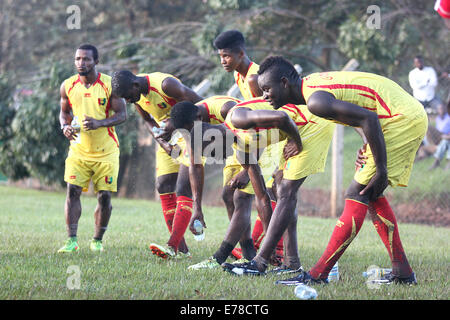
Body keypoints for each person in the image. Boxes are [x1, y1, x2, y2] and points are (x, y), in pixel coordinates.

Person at [254, 56, 427, 285]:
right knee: (370, 192)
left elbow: (369, 117)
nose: (264, 96)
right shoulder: (312, 87)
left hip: (401, 119)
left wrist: (381, 169)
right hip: (402, 113)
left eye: (267, 89)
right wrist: (368, 143)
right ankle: (402, 272)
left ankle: (318, 275)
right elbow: (363, 110)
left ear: (284, 83)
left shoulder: (316, 101)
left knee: (357, 193)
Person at [171, 98, 335, 275]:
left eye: (214, 152)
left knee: (284, 191)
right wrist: (268, 243)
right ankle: (289, 262)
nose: (219, 157)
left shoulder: (235, 117)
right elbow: (262, 197)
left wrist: (297, 141)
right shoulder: (241, 149)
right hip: (287, 133)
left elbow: (282, 118)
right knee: (279, 190)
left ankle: (259, 262)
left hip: (309, 124)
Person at [111, 70, 203, 258]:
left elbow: (200, 104)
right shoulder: (137, 97)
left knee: (182, 186)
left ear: (135, 85)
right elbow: (147, 120)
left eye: (128, 97)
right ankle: (182, 250)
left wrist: (175, 121)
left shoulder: (165, 85)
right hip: (167, 141)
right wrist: (164, 144)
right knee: (162, 185)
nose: (128, 101)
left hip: (189, 135)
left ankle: (172, 245)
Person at [214, 29, 284, 259]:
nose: (222, 61)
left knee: (248, 196)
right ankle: (252, 251)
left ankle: (266, 253)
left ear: (241, 53)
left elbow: (265, 122)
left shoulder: (255, 78)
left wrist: (248, 168)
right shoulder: (238, 75)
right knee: (229, 194)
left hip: (269, 141)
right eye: (220, 56)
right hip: (253, 141)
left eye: (226, 56)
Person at [58, 44, 127, 253]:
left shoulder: (109, 85)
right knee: (72, 191)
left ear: (96, 61)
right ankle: (72, 240)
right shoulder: (67, 85)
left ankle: (97, 240)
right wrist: (65, 127)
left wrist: (99, 123)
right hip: (78, 150)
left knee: (104, 196)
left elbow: (123, 115)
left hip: (106, 151)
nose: (81, 63)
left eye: (86, 59)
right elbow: (64, 113)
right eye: (78, 59)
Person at [429, 103, 450, 170]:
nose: (441, 110)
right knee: (445, 141)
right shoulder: (438, 119)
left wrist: (446, 136)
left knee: (445, 141)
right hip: (442, 136)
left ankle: (438, 162)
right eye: (439, 109)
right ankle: (437, 162)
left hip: (446, 136)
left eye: (442, 108)